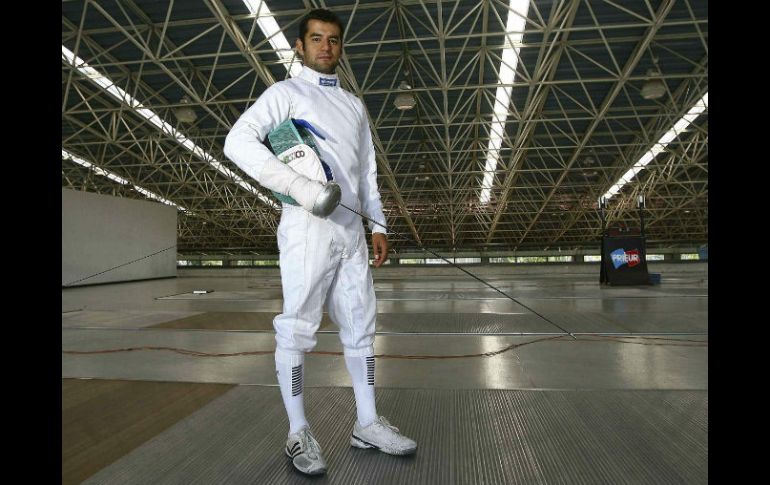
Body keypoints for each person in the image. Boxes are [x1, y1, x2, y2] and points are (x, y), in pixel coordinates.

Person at [223, 8, 417, 476]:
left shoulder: (354, 105)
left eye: (333, 39)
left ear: (340, 46)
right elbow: (237, 142)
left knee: (361, 327)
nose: (325, 47)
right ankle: (297, 432)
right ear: (299, 46)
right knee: (297, 327)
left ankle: (367, 423)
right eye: (316, 39)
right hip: (306, 228)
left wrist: (379, 225)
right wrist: (305, 190)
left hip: (352, 233)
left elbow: (366, 173)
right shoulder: (285, 93)